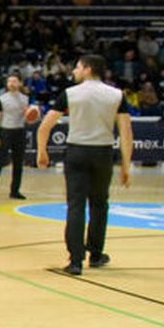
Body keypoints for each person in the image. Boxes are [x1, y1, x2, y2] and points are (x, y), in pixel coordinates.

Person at [36, 54, 133, 276]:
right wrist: (126, 166)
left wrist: (42, 152)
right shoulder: (117, 95)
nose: (74, 71)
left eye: (78, 67)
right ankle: (96, 254)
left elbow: (45, 126)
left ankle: (75, 260)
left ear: (88, 69)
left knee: (76, 205)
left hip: (77, 151)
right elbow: (126, 132)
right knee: (100, 204)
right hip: (103, 153)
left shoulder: (70, 93)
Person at [0, 74, 30, 201]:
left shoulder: (25, 99)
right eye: (9, 81)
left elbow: (28, 117)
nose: (11, 83)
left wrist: (31, 115)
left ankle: (15, 191)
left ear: (20, 83)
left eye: (14, 81)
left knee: (18, 162)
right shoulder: (2, 99)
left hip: (19, 131)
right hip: (5, 131)